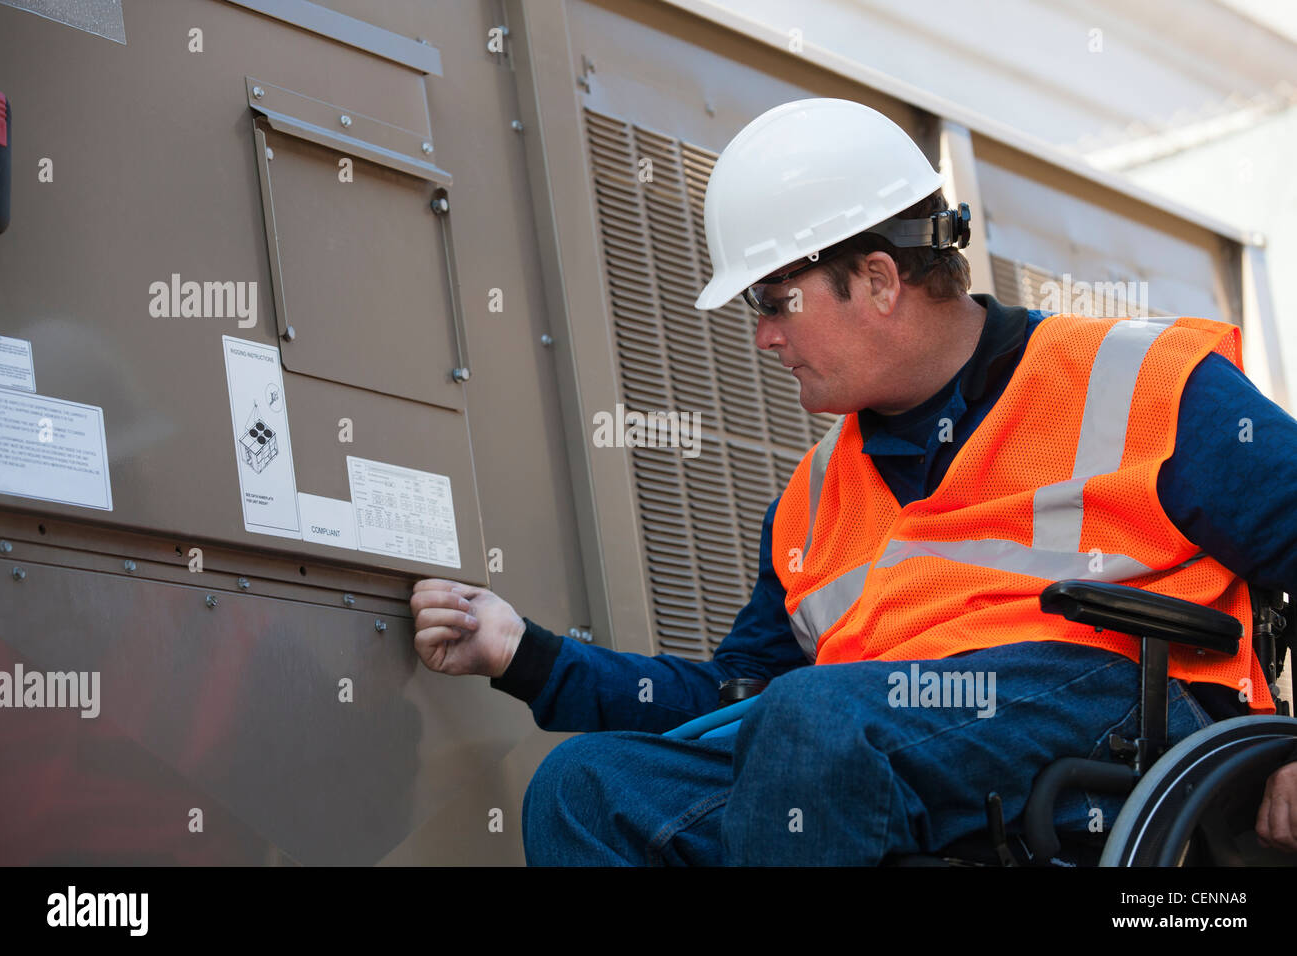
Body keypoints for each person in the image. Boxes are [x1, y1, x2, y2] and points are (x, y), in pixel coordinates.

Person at [409, 98, 1297, 864]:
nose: (762, 336)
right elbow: (737, 703)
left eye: (772, 300)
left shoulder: (1135, 379)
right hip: (864, 743)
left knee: (816, 720)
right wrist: (526, 655)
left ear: (876, 279)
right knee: (587, 787)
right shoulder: (813, 496)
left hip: (1119, 722)